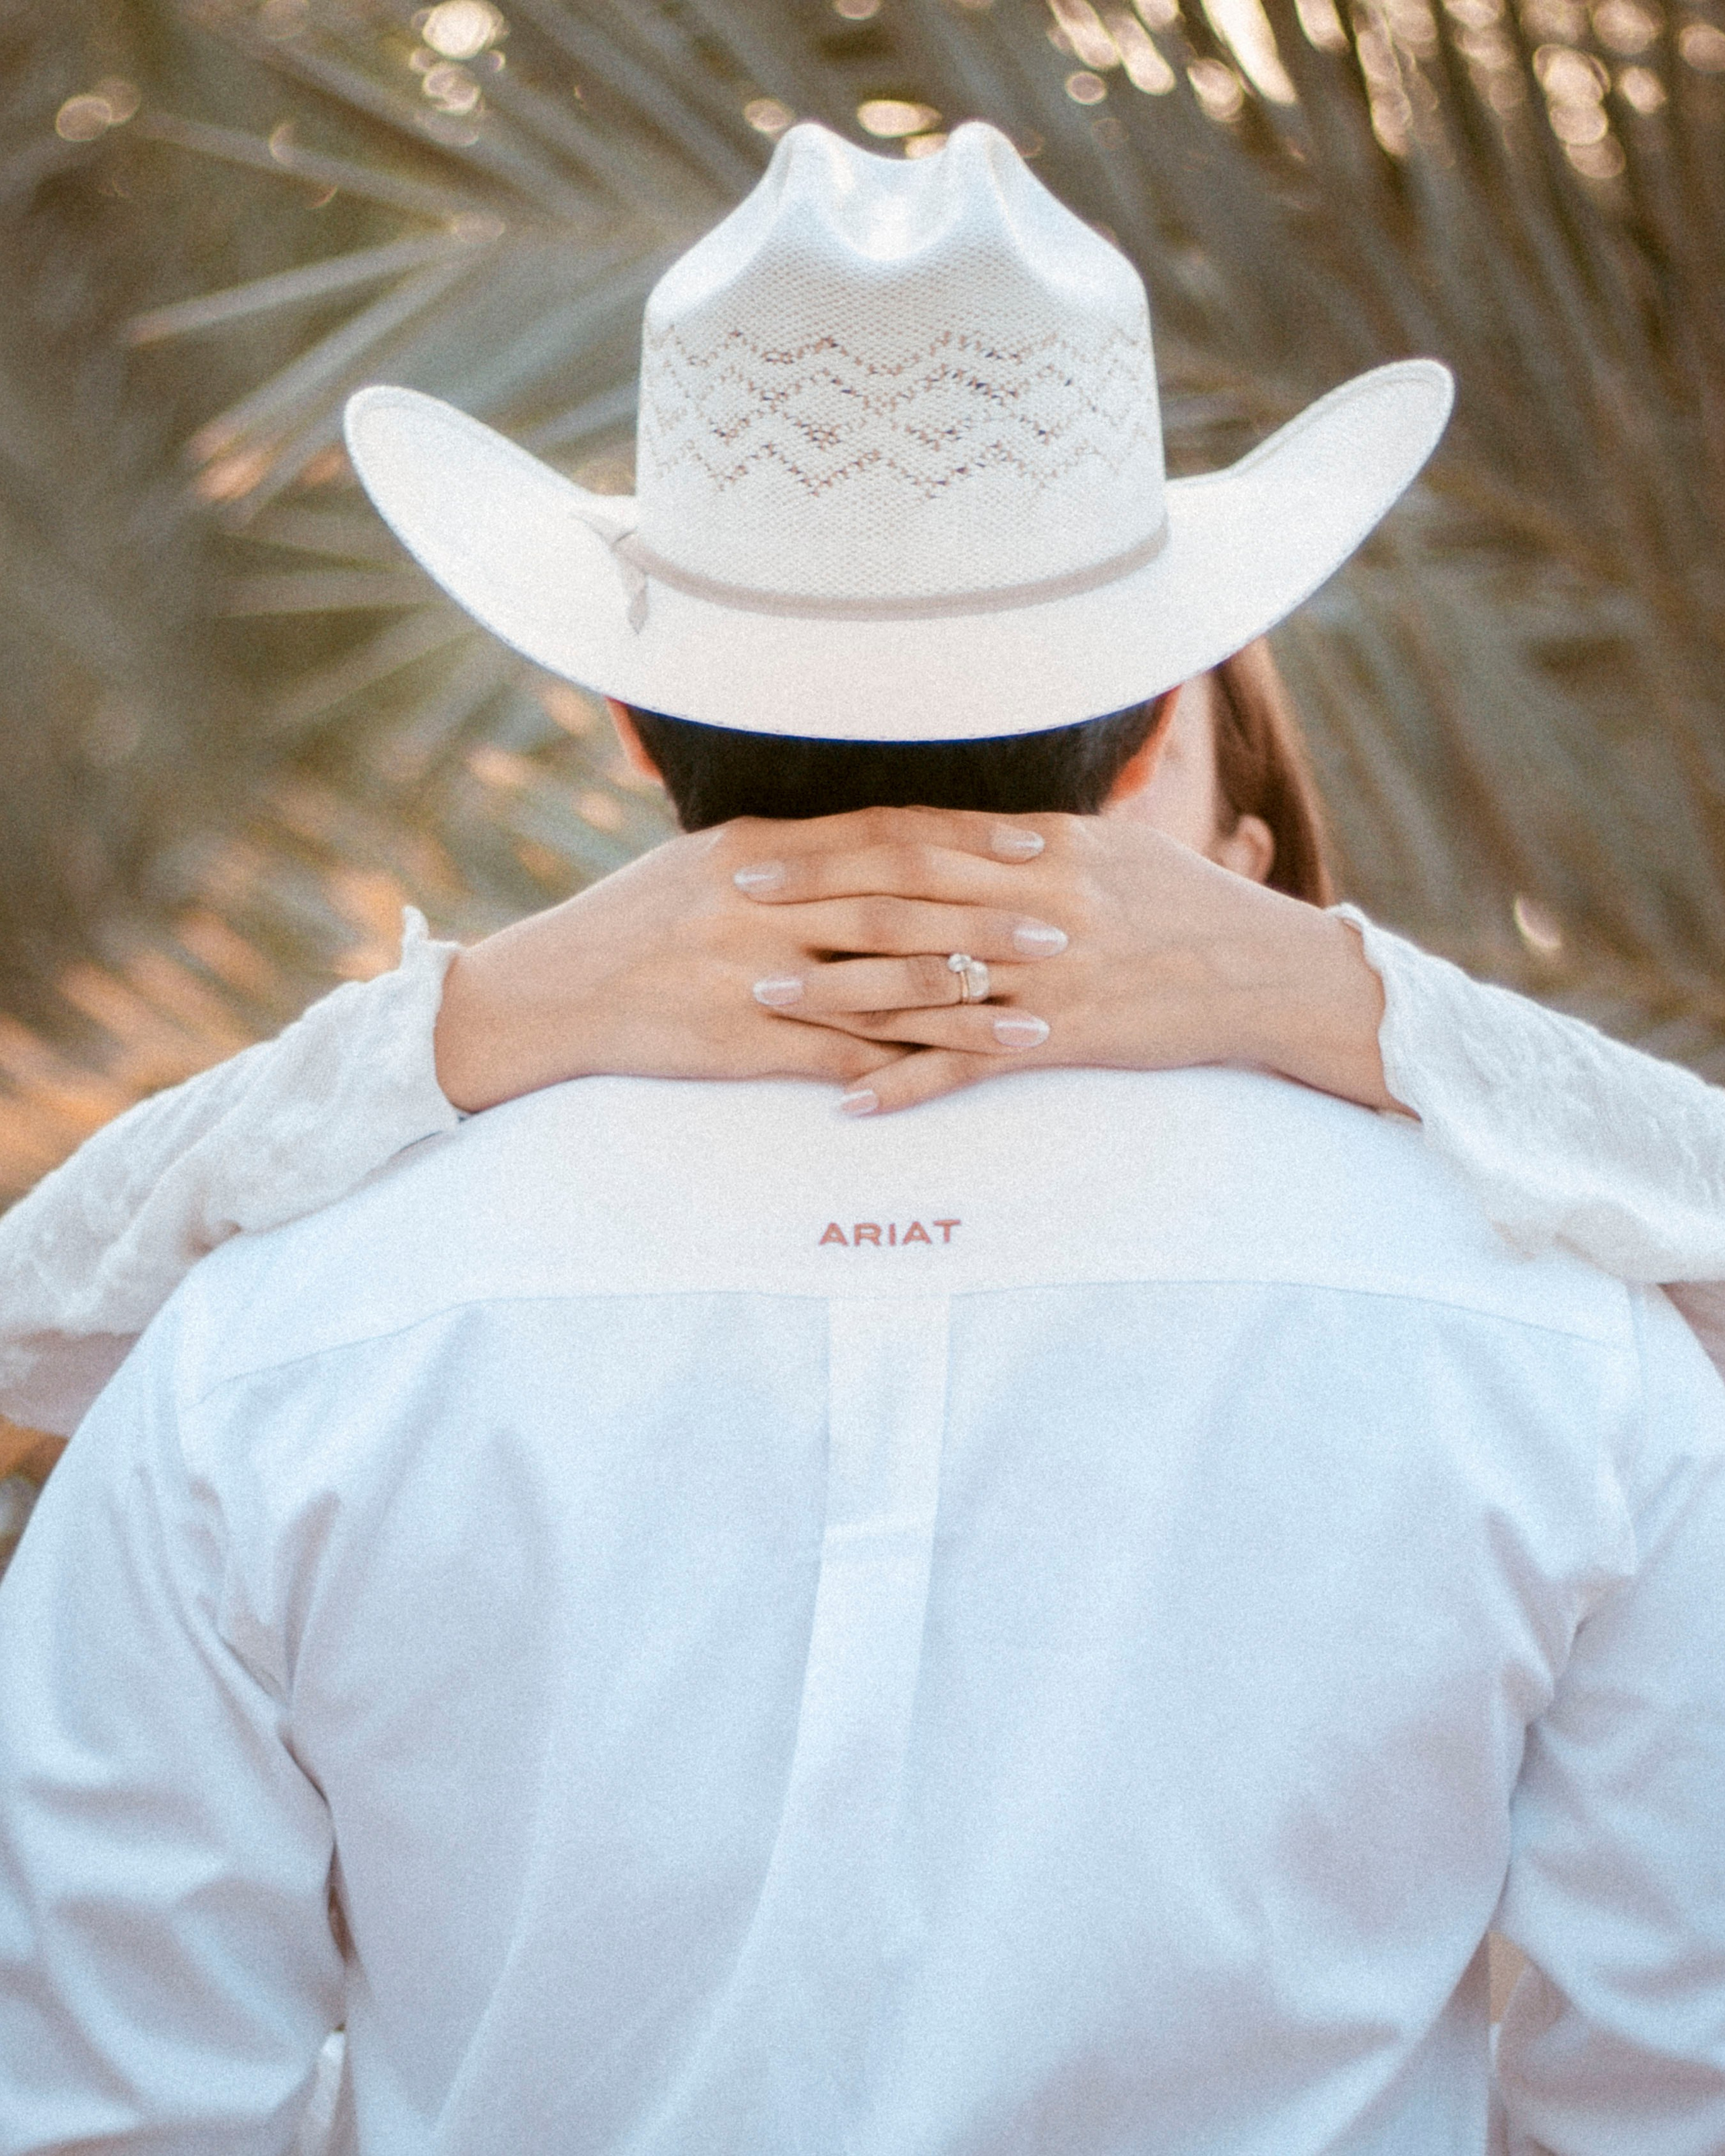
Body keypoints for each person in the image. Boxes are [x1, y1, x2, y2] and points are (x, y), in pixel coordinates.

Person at [3, 118, 1724, 2151]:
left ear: (629, 718)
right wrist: (1358, 1003)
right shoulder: (1560, 1340)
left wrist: (454, 1025)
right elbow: (1669, 2085)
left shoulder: (267, 1347)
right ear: (1165, 705)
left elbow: (104, 2103)